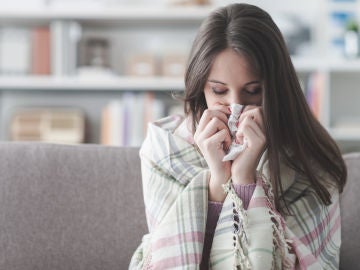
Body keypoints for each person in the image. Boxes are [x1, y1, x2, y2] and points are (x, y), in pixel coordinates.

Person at [129, 3, 347, 269]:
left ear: (276, 88)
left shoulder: (308, 157)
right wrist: (218, 180)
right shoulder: (165, 149)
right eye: (219, 91)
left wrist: (245, 179)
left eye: (253, 91)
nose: (236, 107)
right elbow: (174, 257)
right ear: (201, 88)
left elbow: (307, 262)